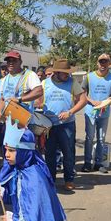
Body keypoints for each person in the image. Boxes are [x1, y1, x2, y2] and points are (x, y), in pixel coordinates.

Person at [0, 116, 76, 221]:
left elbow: (35, 214)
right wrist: (1, 191)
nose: (7, 155)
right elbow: (17, 197)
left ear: (24, 151)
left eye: (11, 150)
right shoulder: (19, 170)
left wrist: (13, 220)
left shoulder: (34, 177)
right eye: (6, 150)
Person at [41, 59, 86, 191]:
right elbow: (39, 101)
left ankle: (69, 179)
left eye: (68, 73)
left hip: (67, 124)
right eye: (65, 73)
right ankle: (51, 180)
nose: (67, 75)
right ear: (56, 72)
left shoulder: (72, 83)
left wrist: (70, 112)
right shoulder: (45, 83)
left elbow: (83, 100)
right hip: (49, 125)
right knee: (49, 154)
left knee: (68, 153)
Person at [81, 53, 111, 173]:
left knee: (101, 139)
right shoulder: (89, 76)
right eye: (101, 62)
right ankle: (87, 163)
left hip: (105, 112)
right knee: (89, 137)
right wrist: (93, 102)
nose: (103, 64)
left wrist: (108, 100)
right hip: (90, 111)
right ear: (97, 63)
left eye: (105, 62)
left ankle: (98, 163)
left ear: (109, 63)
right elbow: (83, 94)